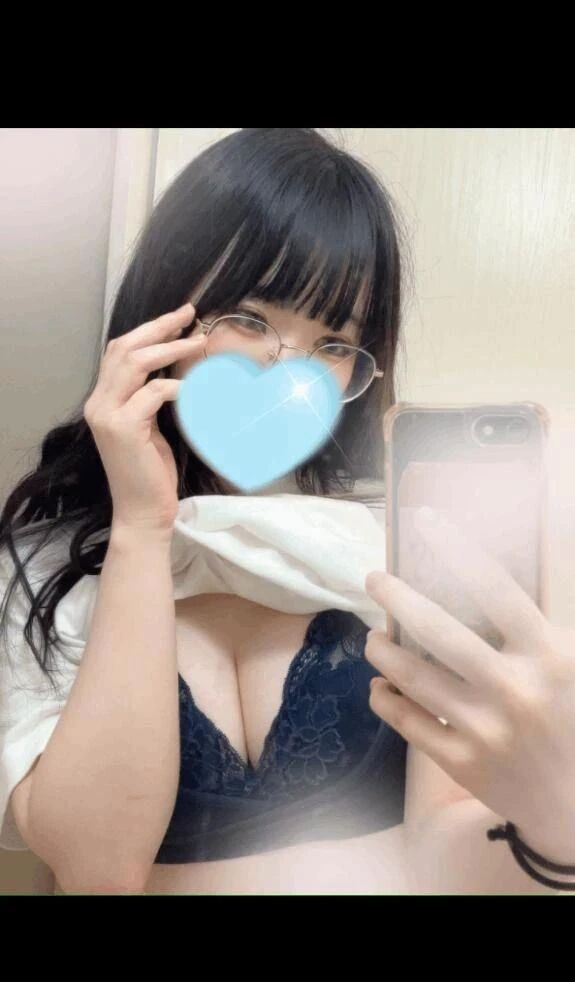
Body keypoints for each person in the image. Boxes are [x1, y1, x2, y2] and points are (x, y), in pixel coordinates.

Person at [0, 127, 420, 895]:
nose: (287, 376)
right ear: (164, 308)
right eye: (250, 320)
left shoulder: (390, 544)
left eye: (333, 344)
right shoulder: (44, 565)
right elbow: (98, 870)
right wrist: (140, 531)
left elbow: (474, 840)